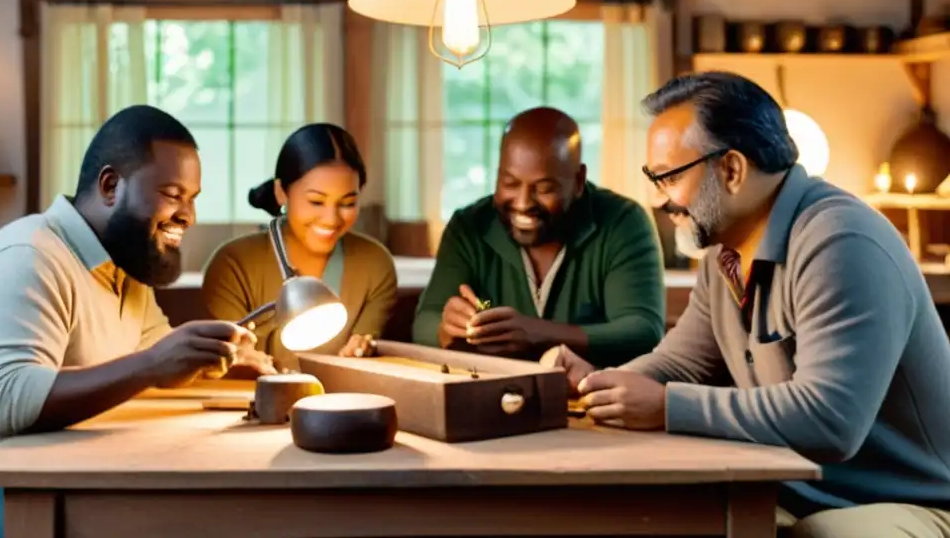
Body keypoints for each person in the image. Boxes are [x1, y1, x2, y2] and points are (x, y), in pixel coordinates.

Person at [548, 71, 950, 538]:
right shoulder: (725, 252)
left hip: (912, 500)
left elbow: (829, 420)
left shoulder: (841, 241)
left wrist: (665, 406)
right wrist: (597, 386)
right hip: (795, 487)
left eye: (670, 177)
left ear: (732, 169)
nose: (659, 198)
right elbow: (683, 364)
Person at [0, 104, 273, 538]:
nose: (189, 215)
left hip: (48, 471)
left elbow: (155, 347)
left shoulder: (122, 264)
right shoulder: (28, 258)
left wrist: (217, 361)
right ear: (111, 186)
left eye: (193, 199)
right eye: (172, 194)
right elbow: (10, 402)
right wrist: (153, 364)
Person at [413, 106, 666, 368]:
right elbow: (424, 322)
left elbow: (642, 331)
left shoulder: (623, 222)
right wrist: (446, 329)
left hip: (592, 396)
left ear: (579, 181)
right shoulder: (469, 226)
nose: (523, 203)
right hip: (490, 392)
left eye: (545, 189)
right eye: (510, 183)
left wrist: (539, 333)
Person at [202, 123, 397, 371]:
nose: (331, 219)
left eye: (347, 203)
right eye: (316, 201)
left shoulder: (374, 264)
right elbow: (227, 364)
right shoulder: (232, 265)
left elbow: (362, 358)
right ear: (281, 192)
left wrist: (362, 349)